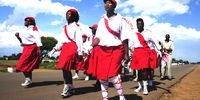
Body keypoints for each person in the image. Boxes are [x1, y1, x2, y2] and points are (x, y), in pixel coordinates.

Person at [86, 0, 132, 100]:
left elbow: (124, 38)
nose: (106, 4)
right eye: (105, 2)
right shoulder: (101, 20)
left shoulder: (121, 19)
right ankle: (105, 98)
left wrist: (126, 54)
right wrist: (90, 46)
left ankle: (121, 97)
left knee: (114, 75)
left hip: (117, 49)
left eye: (109, 2)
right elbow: (98, 37)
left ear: (114, 5)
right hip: (102, 50)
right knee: (102, 77)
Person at [50, 8, 83, 98]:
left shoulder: (77, 26)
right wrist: (55, 49)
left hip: (72, 47)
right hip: (64, 48)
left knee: (65, 67)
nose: (67, 15)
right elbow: (60, 41)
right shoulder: (64, 28)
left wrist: (80, 52)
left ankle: (67, 87)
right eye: (66, 14)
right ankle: (71, 87)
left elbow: (79, 40)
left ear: (74, 16)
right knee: (65, 69)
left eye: (69, 14)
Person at [130, 18, 160, 95]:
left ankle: (145, 87)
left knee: (144, 70)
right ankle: (140, 86)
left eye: (140, 23)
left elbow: (155, 41)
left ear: (143, 24)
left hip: (144, 52)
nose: (139, 25)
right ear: (136, 25)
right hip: (136, 53)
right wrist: (131, 49)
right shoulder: (134, 34)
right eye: (138, 23)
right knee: (138, 71)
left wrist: (159, 50)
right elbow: (131, 43)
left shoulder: (148, 33)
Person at [15, 16, 42, 87]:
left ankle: (28, 80)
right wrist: (18, 37)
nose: (24, 22)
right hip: (26, 48)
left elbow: (37, 38)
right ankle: (28, 80)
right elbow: (23, 42)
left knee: (22, 64)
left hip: (32, 48)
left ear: (30, 22)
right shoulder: (26, 30)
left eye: (26, 20)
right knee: (26, 65)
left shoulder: (33, 28)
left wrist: (39, 48)